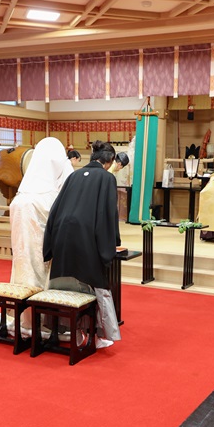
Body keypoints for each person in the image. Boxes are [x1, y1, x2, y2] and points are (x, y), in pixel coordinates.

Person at [43, 140, 121, 348]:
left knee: (65, 281)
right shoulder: (107, 178)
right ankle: (98, 335)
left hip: (62, 234)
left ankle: (66, 329)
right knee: (95, 283)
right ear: (109, 161)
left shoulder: (74, 175)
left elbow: (56, 208)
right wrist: (111, 244)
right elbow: (108, 214)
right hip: (87, 236)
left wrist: (49, 244)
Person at [4, 137, 73, 334]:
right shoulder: (51, 194)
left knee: (23, 276)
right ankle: (45, 321)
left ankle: (26, 320)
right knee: (44, 281)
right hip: (46, 252)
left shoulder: (22, 193)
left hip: (22, 252)